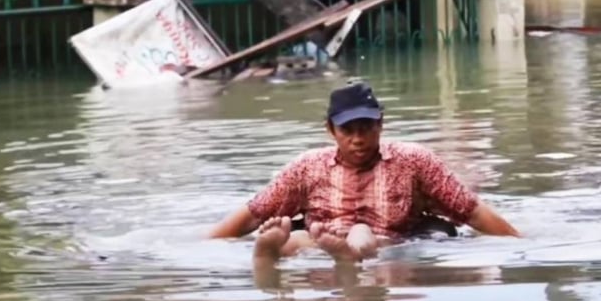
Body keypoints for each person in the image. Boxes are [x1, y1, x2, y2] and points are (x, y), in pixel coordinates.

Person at [208, 82, 521, 263]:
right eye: (348, 130)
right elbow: (251, 215)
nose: (358, 139)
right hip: (319, 242)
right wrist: (204, 242)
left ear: (380, 125)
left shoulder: (414, 161)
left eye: (366, 129)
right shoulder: (307, 167)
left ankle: (348, 252)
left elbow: (471, 211)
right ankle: (268, 252)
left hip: (385, 248)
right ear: (330, 130)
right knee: (294, 239)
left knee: (362, 235)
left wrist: (519, 241)